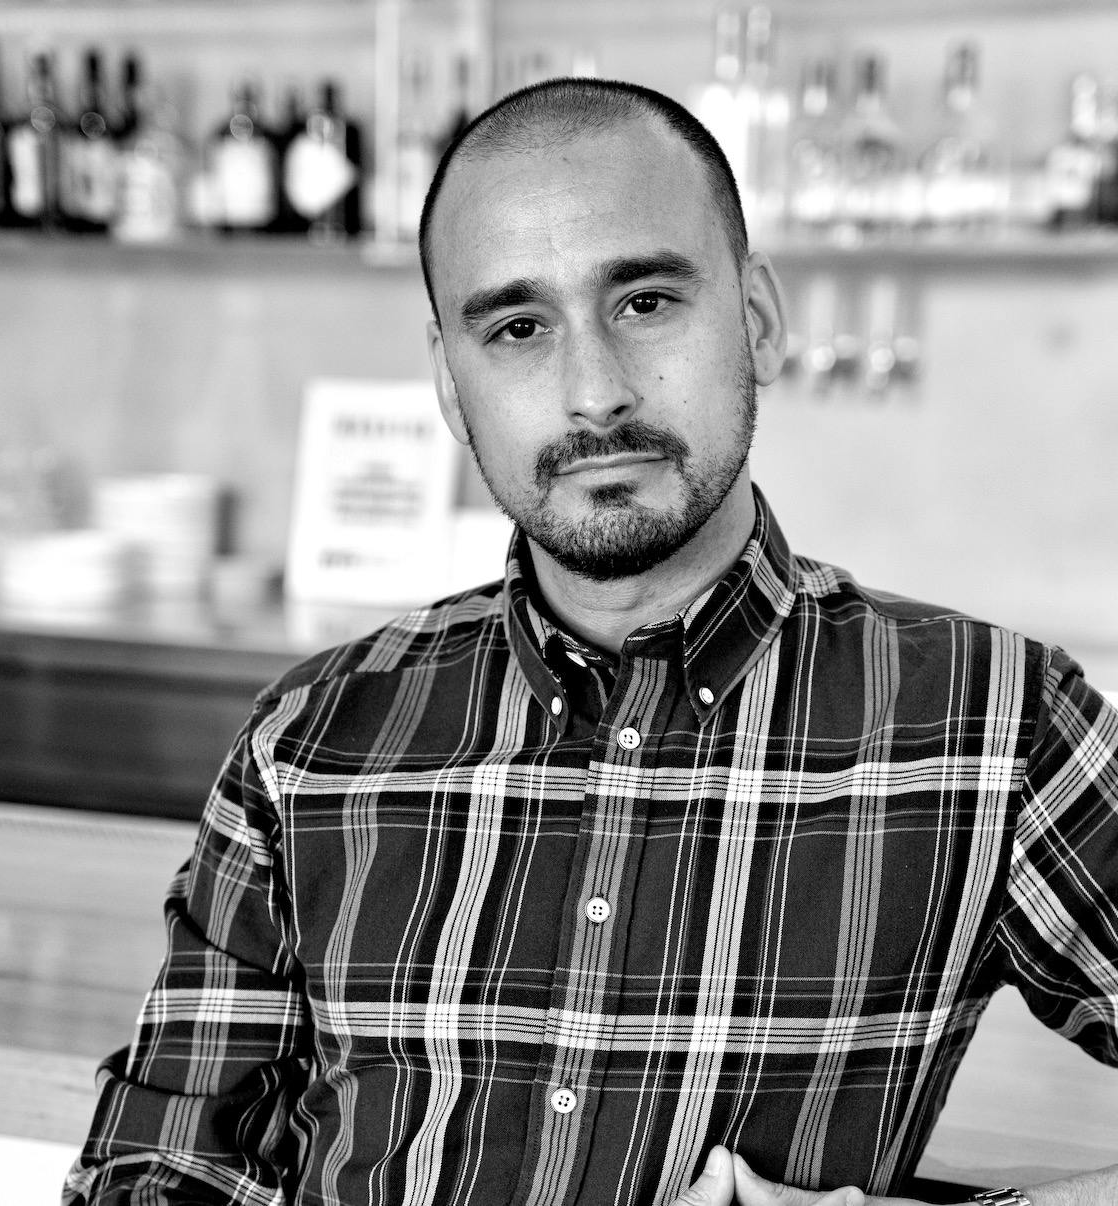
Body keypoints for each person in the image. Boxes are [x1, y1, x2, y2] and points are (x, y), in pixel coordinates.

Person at [63, 77, 1118, 1206]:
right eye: (518, 328)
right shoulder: (308, 742)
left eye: (646, 302)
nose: (594, 393)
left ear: (754, 319)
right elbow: (163, 1160)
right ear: (446, 380)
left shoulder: (992, 725)